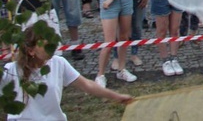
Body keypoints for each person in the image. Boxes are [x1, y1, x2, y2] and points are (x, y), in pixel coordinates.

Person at [0, 28, 132, 119]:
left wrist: (116, 96)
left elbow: (87, 85)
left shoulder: (59, 63)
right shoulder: (11, 71)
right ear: (31, 51)